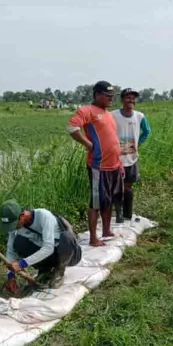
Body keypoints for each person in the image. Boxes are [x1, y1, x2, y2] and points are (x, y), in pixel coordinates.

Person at [68, 81, 123, 247]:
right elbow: (72, 128)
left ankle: (106, 230)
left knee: (110, 199)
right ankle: (93, 238)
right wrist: (88, 144)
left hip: (114, 165)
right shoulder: (87, 111)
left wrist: (119, 162)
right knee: (96, 202)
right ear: (97, 95)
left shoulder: (108, 114)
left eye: (112, 96)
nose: (111, 99)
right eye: (107, 96)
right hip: (99, 167)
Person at [0, 200, 82, 293]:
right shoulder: (15, 227)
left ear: (22, 215)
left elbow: (48, 248)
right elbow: (11, 251)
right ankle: (44, 269)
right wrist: (11, 276)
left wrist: (21, 264)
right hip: (48, 257)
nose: (13, 228)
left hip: (69, 254)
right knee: (19, 242)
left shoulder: (43, 216)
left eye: (14, 224)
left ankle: (59, 271)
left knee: (66, 237)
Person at [111, 88, 151, 223]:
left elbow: (147, 131)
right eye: (128, 98)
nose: (131, 100)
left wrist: (138, 143)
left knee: (128, 186)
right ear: (122, 100)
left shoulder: (139, 116)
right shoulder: (113, 115)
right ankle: (118, 215)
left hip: (132, 158)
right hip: (116, 158)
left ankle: (128, 214)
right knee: (117, 187)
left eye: (133, 98)